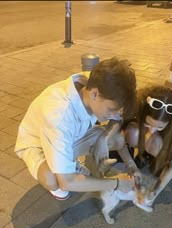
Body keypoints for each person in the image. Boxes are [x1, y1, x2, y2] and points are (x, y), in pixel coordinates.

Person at [15, 57, 137, 200]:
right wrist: (116, 183)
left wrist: (105, 140)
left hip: (71, 136)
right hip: (37, 144)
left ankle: (67, 163)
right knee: (53, 180)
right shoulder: (59, 116)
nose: (115, 115)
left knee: (116, 138)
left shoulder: (94, 83)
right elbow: (66, 183)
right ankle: (65, 167)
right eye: (111, 110)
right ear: (94, 94)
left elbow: (118, 117)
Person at [109, 84, 172, 206]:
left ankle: (152, 155)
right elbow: (117, 134)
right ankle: (142, 153)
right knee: (132, 134)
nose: (152, 131)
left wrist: (154, 192)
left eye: (159, 127)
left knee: (158, 163)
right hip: (142, 119)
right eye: (148, 124)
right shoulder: (138, 102)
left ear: (169, 123)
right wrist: (130, 164)